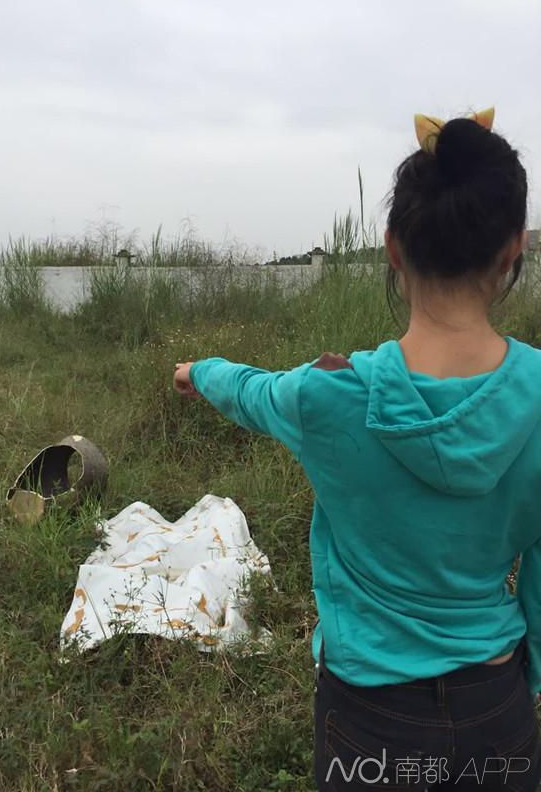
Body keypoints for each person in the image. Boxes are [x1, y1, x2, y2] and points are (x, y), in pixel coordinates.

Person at [173, 108, 541, 790]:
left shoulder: (331, 395)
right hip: (498, 705)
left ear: (393, 249)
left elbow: (251, 392)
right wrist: (531, 680)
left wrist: (200, 371)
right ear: (513, 248)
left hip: (370, 713)